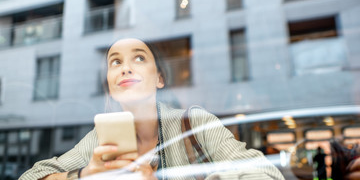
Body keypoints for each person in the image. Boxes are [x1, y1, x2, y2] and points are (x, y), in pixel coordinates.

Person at [19, 38, 286, 180]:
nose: (125, 67)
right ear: (111, 85)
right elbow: (31, 177)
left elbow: (266, 174)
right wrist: (83, 175)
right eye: (115, 62)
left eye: (139, 57)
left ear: (159, 78)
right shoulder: (98, 142)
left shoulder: (193, 122)